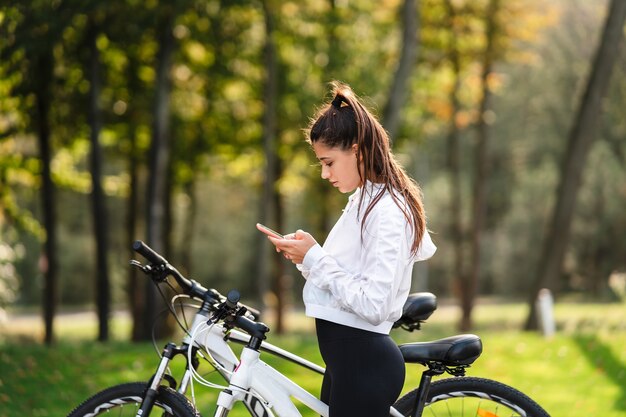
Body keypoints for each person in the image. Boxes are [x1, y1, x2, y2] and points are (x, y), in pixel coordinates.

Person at [256, 81, 436, 417]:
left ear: (356, 150)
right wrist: (305, 257)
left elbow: (374, 304)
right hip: (348, 365)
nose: (324, 174)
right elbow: (343, 280)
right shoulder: (364, 201)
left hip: (365, 366)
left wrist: (316, 257)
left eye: (328, 162)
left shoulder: (387, 211)